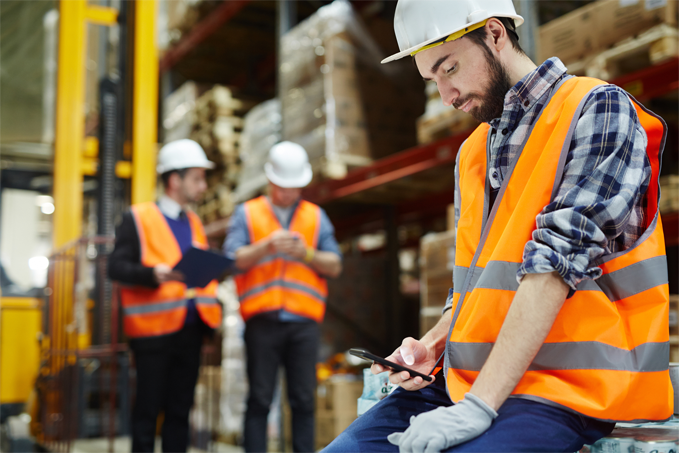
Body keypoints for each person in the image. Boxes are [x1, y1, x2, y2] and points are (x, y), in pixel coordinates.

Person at [323, 0, 671, 452]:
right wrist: (433, 346)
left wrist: (479, 406)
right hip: (469, 380)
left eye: (449, 69)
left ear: (494, 33)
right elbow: (476, 285)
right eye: (433, 80)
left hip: (564, 389)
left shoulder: (596, 108)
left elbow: (554, 265)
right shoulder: (472, 154)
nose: (446, 95)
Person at [223, 141, 342, 453]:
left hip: (303, 324)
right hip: (262, 321)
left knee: (303, 400)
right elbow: (233, 260)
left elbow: (335, 264)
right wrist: (266, 246)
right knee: (260, 399)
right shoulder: (247, 214)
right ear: (270, 180)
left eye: (295, 187)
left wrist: (307, 253)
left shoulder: (316, 217)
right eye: (283, 186)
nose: (288, 193)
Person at [108, 139, 223, 453]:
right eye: (197, 178)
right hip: (153, 333)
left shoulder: (194, 222)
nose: (203, 185)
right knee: (147, 411)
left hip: (190, 331)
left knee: (180, 412)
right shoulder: (138, 217)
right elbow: (115, 268)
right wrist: (151, 274)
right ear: (175, 180)